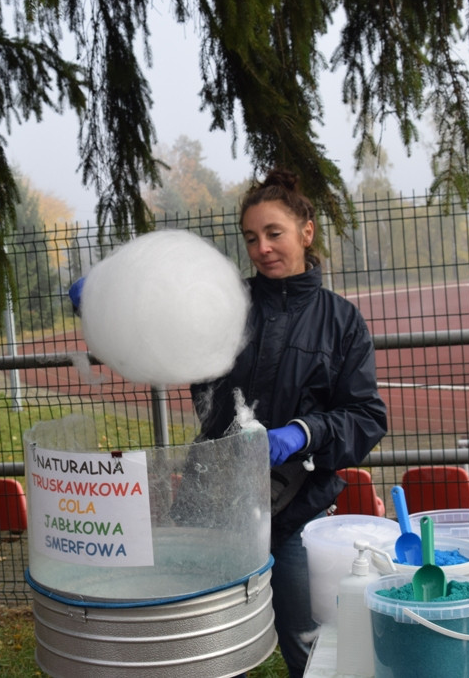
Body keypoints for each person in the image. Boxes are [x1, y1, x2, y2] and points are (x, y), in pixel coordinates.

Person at [189, 168, 387, 677]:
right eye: (251, 238)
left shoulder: (342, 321)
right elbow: (167, 347)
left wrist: (303, 433)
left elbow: (366, 418)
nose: (262, 248)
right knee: (205, 644)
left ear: (306, 231)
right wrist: (113, 311)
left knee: (305, 643)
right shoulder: (223, 309)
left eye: (273, 233)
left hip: (294, 514)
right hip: (216, 508)